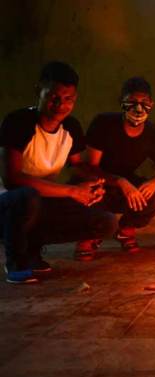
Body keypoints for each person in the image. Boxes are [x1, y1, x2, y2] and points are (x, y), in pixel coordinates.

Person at [0, 61, 116, 283]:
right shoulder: (18, 122)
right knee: (28, 197)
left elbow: (78, 165)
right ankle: (16, 260)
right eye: (53, 97)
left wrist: (95, 183)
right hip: (8, 203)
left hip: (40, 200)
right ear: (39, 92)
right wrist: (71, 191)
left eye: (68, 99)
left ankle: (34, 249)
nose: (60, 105)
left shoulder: (70, 127)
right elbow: (12, 178)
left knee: (105, 221)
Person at [81, 77, 155, 256]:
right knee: (89, 192)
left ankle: (126, 229)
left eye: (144, 102)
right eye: (132, 102)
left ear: (152, 104)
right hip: (102, 180)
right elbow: (90, 168)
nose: (138, 108)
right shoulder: (103, 124)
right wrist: (119, 182)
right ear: (121, 102)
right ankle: (91, 234)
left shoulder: (153, 133)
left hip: (128, 181)